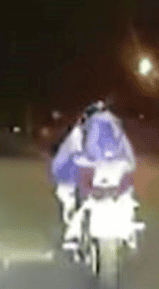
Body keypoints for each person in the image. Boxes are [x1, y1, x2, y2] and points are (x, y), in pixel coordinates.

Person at [49, 100, 138, 252]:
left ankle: (74, 235)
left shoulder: (81, 129)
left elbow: (64, 156)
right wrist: (127, 168)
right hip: (118, 170)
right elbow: (130, 156)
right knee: (125, 196)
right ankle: (130, 231)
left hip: (89, 171)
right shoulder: (117, 128)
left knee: (71, 195)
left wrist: (60, 174)